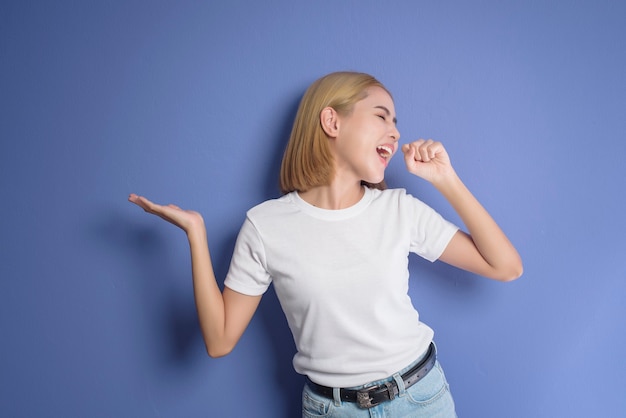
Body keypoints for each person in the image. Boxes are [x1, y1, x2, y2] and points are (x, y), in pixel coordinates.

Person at [128, 71, 523, 417]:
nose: (396, 131)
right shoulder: (265, 227)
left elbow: (506, 267)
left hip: (420, 401)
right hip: (331, 411)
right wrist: (196, 234)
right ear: (332, 121)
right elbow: (219, 341)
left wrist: (445, 179)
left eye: (396, 121)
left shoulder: (399, 209)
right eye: (381, 116)